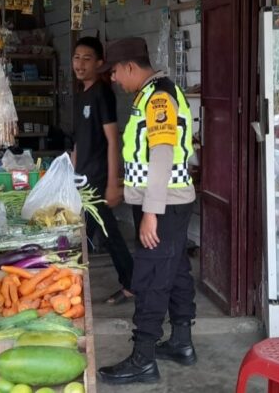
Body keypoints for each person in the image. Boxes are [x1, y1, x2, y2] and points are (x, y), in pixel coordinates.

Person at [96, 37, 197, 385]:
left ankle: (143, 359)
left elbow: (163, 154)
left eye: (114, 71)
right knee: (176, 268)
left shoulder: (159, 99)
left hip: (163, 203)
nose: (113, 78)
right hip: (167, 202)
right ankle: (181, 342)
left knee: (151, 277)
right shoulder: (152, 94)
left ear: (130, 67)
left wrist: (151, 212)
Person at [70, 37, 134, 305]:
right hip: (83, 177)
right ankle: (73, 285)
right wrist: (71, 173)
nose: (80, 64)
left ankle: (129, 283)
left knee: (103, 233)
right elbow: (78, 140)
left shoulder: (102, 93)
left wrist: (112, 183)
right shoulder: (81, 94)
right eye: (76, 58)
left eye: (87, 59)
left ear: (99, 63)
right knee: (96, 232)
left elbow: (112, 140)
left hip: (98, 177)